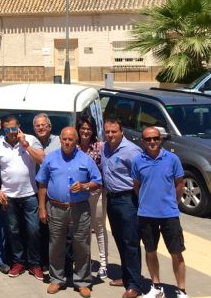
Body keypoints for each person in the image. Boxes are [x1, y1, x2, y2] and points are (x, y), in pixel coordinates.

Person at [36, 127, 102, 298]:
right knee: (56, 244)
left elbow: (97, 181)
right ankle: (57, 279)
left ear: (76, 141)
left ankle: (83, 282)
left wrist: (84, 186)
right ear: (60, 140)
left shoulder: (85, 160)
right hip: (56, 208)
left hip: (79, 209)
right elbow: (42, 184)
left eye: (70, 139)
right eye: (64, 139)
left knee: (81, 245)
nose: (67, 142)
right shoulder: (50, 158)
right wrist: (42, 208)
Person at [132, 127, 187, 298]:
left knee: (176, 252)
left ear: (161, 139)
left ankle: (181, 290)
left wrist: (173, 203)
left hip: (169, 214)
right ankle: (156, 286)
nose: (152, 142)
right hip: (146, 214)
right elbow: (136, 186)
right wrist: (146, 201)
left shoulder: (172, 159)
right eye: (148, 139)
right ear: (143, 141)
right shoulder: (137, 161)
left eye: (155, 138)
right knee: (150, 251)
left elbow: (179, 184)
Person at [0, 115, 44, 280]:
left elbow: (42, 159)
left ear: (19, 127)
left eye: (14, 128)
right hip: (9, 196)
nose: (11, 132)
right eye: (7, 129)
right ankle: (18, 262)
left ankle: (35, 264)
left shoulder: (31, 139)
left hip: (30, 194)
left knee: (34, 231)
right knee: (13, 231)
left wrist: (25, 144)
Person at [101, 116, 144, 298]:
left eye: (114, 131)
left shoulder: (131, 151)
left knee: (130, 242)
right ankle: (127, 277)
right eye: (107, 131)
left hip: (128, 200)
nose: (110, 135)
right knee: (120, 239)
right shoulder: (104, 147)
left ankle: (135, 284)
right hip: (111, 199)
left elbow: (141, 178)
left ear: (121, 132)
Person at [77, 116, 108, 280]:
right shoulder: (73, 147)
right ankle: (85, 262)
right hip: (78, 195)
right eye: (83, 128)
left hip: (96, 194)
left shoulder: (99, 146)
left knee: (99, 228)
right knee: (83, 230)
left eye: (89, 128)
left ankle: (103, 264)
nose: (85, 131)